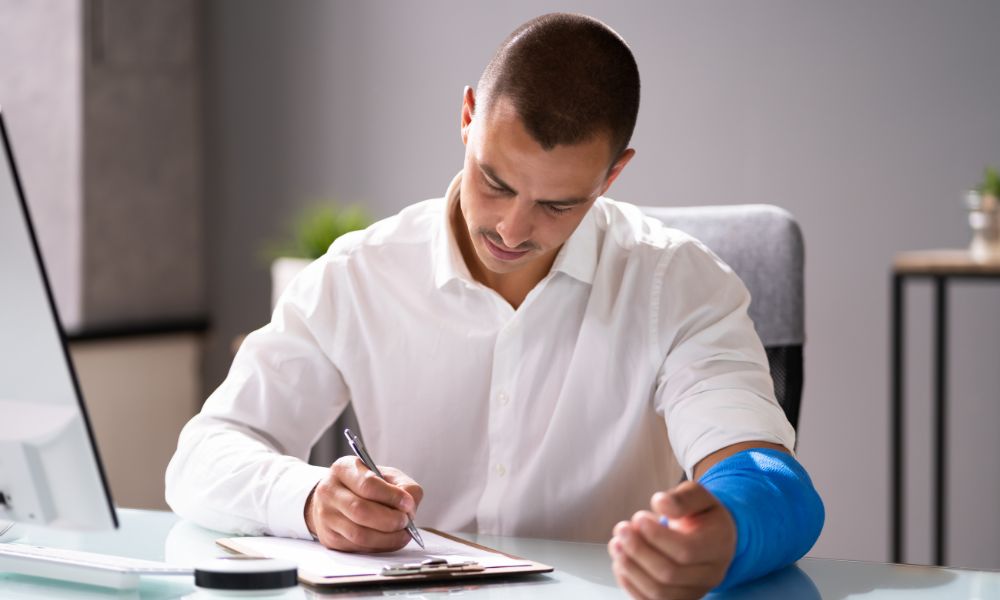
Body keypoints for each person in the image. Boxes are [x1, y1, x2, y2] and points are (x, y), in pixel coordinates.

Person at [166, 13, 824, 599]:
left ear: (613, 174)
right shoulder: (357, 275)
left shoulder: (680, 283)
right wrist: (308, 498)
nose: (511, 229)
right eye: (495, 181)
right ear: (467, 114)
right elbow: (204, 454)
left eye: (557, 204)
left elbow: (771, 478)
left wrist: (730, 529)